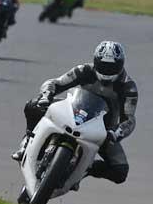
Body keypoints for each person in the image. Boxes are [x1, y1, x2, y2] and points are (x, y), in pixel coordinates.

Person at [11, 41, 138, 186]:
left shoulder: (128, 88)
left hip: (102, 131)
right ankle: (27, 141)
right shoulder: (83, 70)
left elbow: (129, 119)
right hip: (72, 113)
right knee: (33, 106)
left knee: (120, 171)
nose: (107, 71)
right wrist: (46, 96)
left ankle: (85, 169)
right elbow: (55, 83)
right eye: (103, 66)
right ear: (95, 61)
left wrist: (115, 133)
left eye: (112, 67)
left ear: (121, 65)